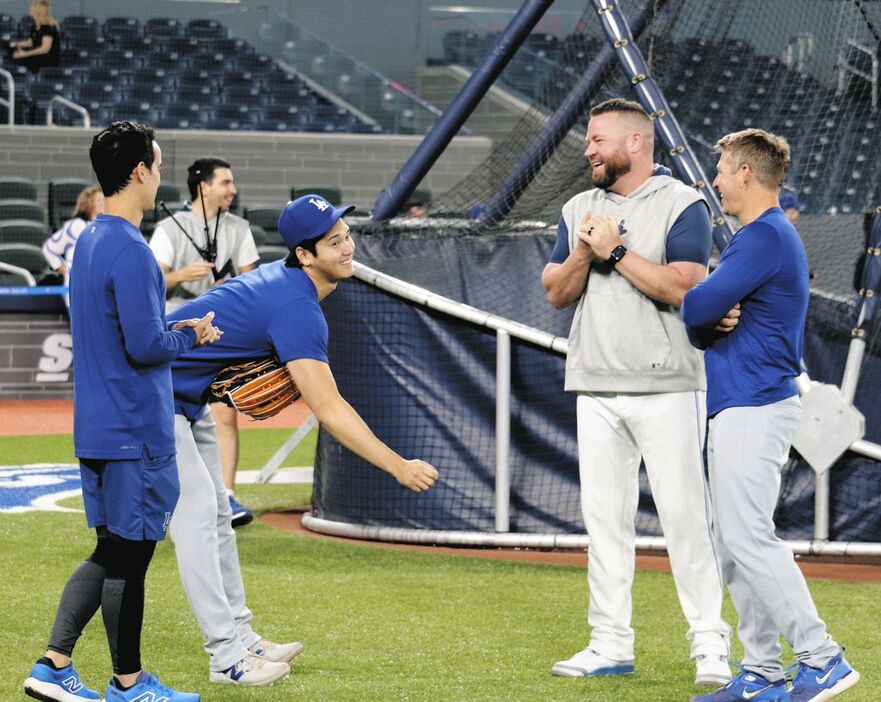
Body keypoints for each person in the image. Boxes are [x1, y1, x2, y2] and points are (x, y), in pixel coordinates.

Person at [164, 193, 439, 685]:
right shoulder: (296, 306)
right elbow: (329, 408)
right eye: (335, 241)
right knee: (198, 522)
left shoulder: (288, 283)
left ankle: (242, 638)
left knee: (219, 516)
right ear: (305, 255)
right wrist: (397, 465)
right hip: (149, 395)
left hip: (184, 398)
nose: (348, 246)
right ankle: (226, 658)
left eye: (347, 235)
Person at [22, 122, 220, 702]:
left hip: (99, 425)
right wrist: (191, 336)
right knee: (130, 558)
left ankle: (55, 664)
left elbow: (128, 333)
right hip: (135, 426)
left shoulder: (88, 239)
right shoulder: (132, 249)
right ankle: (127, 684)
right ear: (140, 171)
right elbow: (147, 346)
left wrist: (169, 329)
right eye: (157, 165)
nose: (160, 176)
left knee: (112, 549)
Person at [540, 98, 731, 685]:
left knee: (684, 521)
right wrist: (582, 249)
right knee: (604, 523)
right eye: (589, 140)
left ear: (635, 143)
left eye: (598, 140)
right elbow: (554, 292)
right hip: (595, 384)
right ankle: (609, 644)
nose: (589, 150)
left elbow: (685, 288)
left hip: (667, 385)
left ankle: (711, 647)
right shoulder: (579, 207)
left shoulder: (683, 203)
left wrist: (615, 252)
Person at [683, 129, 860, 702]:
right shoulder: (763, 235)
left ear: (746, 175)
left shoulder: (761, 236)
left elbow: (695, 305)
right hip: (744, 403)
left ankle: (822, 656)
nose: (716, 180)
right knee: (737, 542)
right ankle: (761, 672)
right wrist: (706, 316)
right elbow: (703, 316)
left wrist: (705, 314)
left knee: (749, 539)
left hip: (755, 405)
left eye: (723, 170)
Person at [149, 157, 260, 528]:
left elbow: (253, 283)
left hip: (220, 330)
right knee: (170, 418)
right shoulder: (168, 228)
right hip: (175, 330)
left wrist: (229, 290)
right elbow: (150, 284)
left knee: (226, 411)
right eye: (226, 182)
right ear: (203, 186)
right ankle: (165, 497)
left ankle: (226, 497)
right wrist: (181, 275)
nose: (233, 190)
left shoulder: (239, 228)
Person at [42, 185, 104, 286]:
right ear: (89, 204)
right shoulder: (77, 225)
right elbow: (48, 248)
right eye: (98, 200)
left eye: (103, 200)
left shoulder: (106, 226)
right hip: (78, 284)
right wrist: (60, 266)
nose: (103, 203)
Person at [8, 0, 60, 73]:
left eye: (32, 8)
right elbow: (31, 42)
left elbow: (45, 49)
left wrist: (26, 54)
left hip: (46, 58)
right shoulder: (35, 26)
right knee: (9, 49)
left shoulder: (49, 27)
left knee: (16, 58)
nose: (29, 10)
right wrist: (16, 44)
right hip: (36, 55)